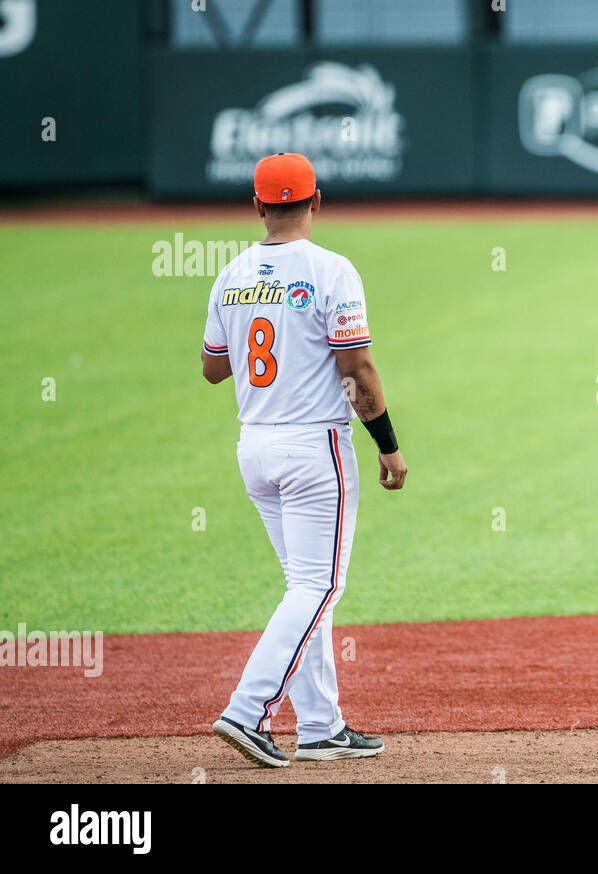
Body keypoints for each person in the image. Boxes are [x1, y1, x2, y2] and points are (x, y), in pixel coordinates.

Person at [201, 152, 407, 767]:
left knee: (303, 587)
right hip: (314, 446)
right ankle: (247, 710)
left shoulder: (231, 272)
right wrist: (388, 444)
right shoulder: (333, 269)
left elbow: (214, 368)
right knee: (321, 586)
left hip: (254, 445)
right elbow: (357, 367)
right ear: (316, 202)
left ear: (258, 207)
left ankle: (321, 727)